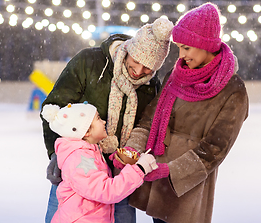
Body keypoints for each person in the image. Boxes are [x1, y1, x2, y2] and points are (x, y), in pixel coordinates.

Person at [111, 2, 249, 223]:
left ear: (204, 44)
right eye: (179, 48)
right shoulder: (176, 77)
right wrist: (131, 149)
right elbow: (149, 121)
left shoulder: (233, 90)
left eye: (186, 48)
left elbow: (215, 148)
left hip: (186, 187)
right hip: (157, 182)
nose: (181, 55)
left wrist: (171, 171)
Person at [41, 17, 174, 223]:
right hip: (79, 169)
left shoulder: (150, 86)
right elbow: (56, 107)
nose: (139, 71)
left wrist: (132, 160)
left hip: (120, 178)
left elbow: (145, 126)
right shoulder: (89, 62)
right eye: (136, 61)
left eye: (148, 68)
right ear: (129, 49)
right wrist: (55, 154)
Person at [41, 102, 158, 223]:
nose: (103, 122)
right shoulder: (80, 158)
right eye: (98, 118)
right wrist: (140, 169)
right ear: (86, 131)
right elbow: (107, 191)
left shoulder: (88, 152)